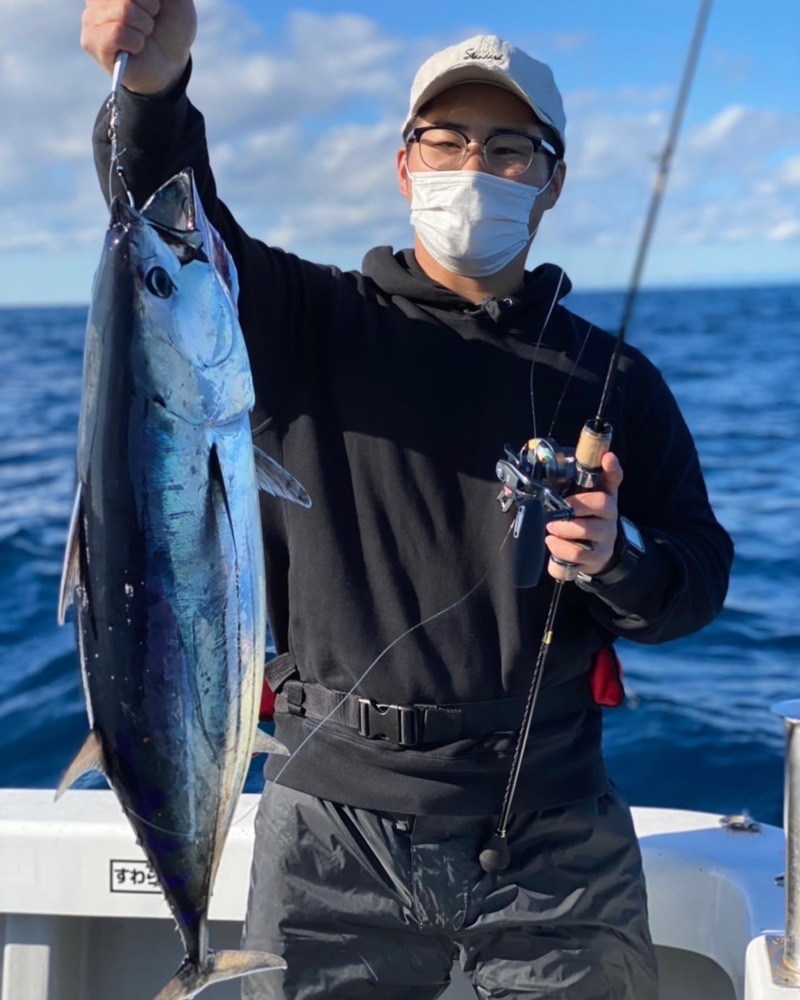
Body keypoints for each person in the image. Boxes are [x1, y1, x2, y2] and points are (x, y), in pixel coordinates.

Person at [81, 3, 734, 998]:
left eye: (508, 147)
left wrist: (617, 558)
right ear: (402, 163)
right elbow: (166, 235)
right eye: (445, 138)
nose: (471, 165)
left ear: (552, 181)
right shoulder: (299, 320)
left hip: (551, 829)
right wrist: (151, 88)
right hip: (327, 830)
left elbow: (694, 582)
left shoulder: (614, 379)